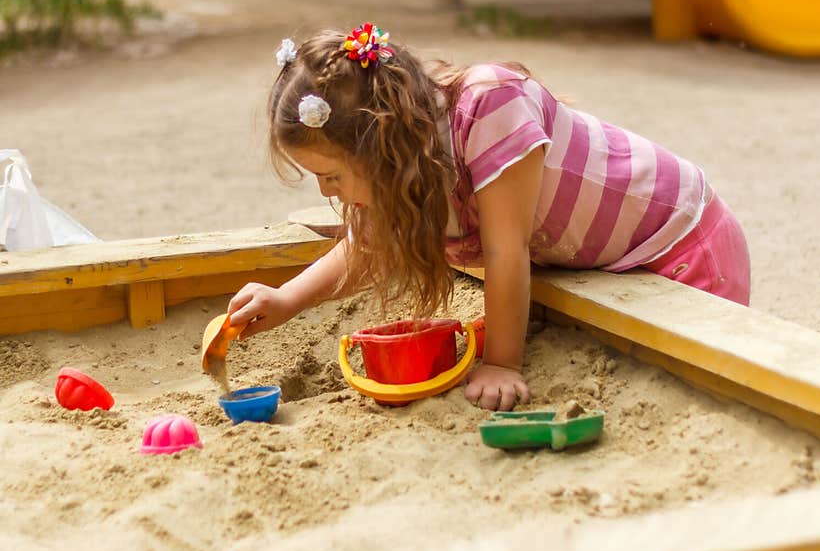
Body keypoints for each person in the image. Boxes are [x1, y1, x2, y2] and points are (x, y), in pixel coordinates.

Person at [228, 23, 751, 411]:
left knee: (704, 389)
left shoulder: (489, 107)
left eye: (333, 176)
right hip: (611, 267)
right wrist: (287, 298)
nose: (326, 190)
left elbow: (506, 252)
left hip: (682, 246)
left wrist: (502, 363)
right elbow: (369, 244)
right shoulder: (409, 160)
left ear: (379, 146)